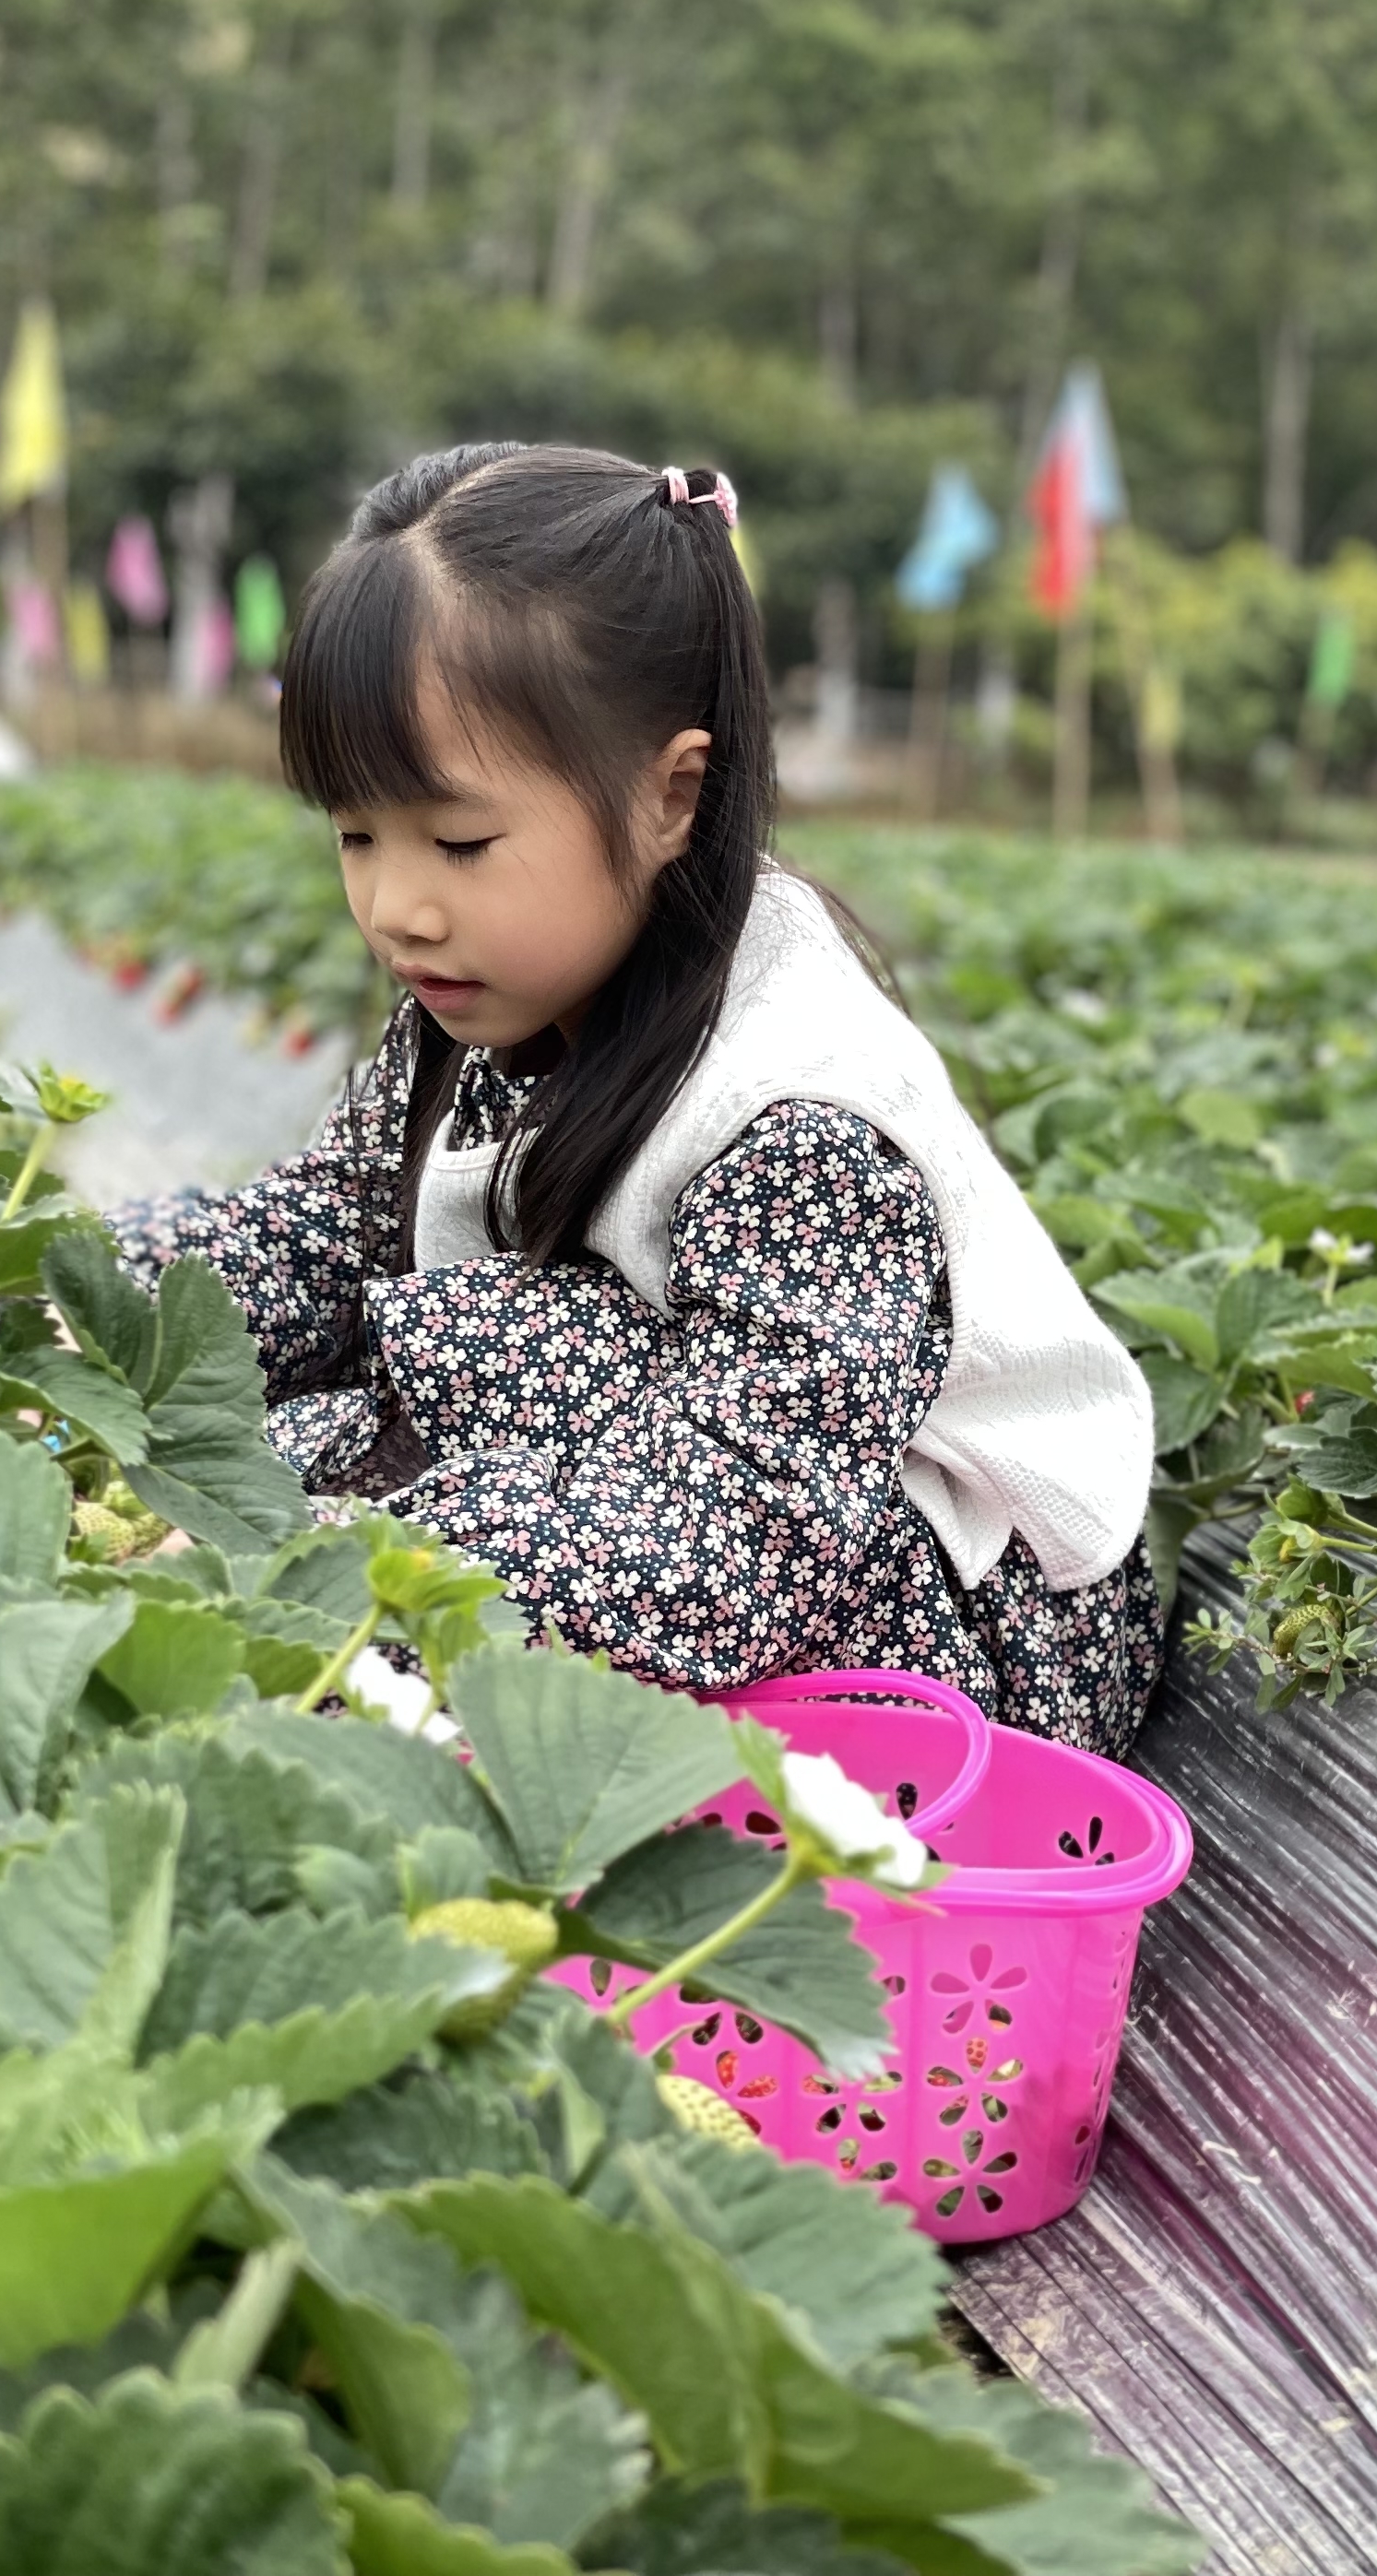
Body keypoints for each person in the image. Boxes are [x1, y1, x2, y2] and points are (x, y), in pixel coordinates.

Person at [113, 443, 1165, 1755]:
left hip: (941, 1624)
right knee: (333, 1408)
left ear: (669, 797)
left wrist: (345, 1565)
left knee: (393, 1431)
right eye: (354, 835)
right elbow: (330, 1233)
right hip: (683, 1498)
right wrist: (80, 1300)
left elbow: (746, 1528)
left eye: (457, 841)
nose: (395, 905)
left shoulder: (804, 1117)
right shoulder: (480, 995)